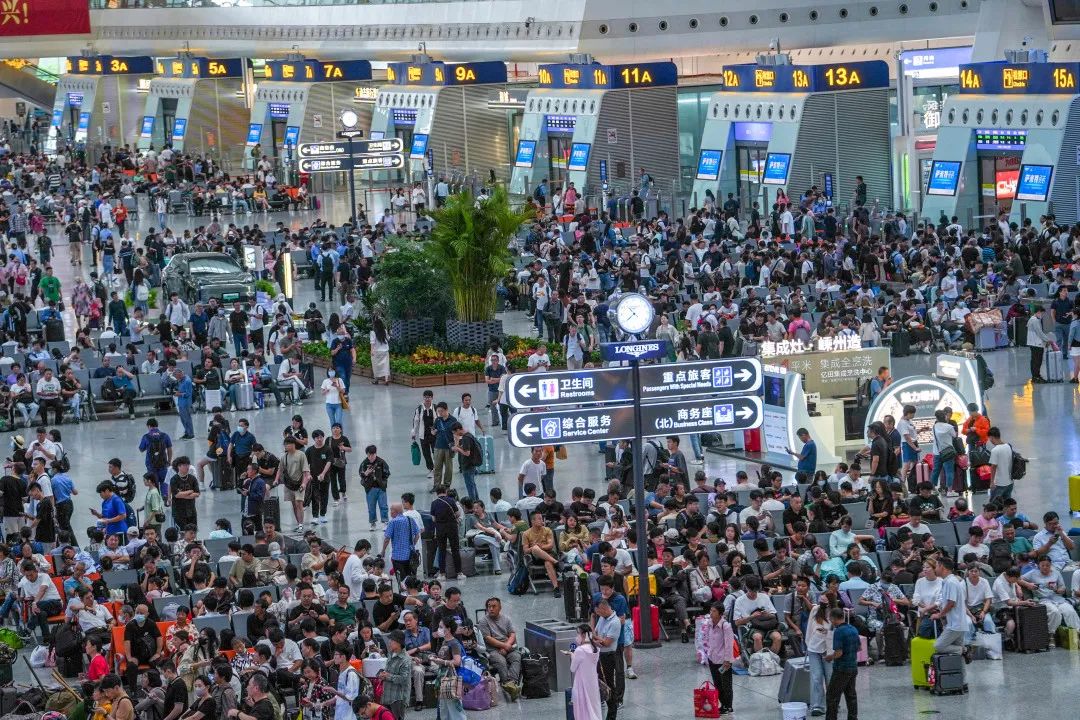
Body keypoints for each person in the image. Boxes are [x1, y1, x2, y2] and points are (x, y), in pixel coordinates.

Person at [476, 597, 522, 697]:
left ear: (500, 607)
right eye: (489, 607)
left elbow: (512, 634)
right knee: (501, 662)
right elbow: (488, 639)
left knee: (516, 657)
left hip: (508, 647)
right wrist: (504, 646)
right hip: (493, 650)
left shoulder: (506, 619)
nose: (491, 609)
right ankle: (508, 684)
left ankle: (511, 684)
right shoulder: (483, 621)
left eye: (494, 606)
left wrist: (506, 646)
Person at [824, 608, 859, 720]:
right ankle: (853, 718)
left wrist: (829, 657)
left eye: (830, 619)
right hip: (853, 667)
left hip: (841, 669)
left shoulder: (838, 631)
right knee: (851, 695)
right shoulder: (853, 629)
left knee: (832, 696)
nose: (830, 621)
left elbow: (838, 653)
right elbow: (859, 648)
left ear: (833, 618)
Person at [703, 601, 735, 716]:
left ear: (720, 613)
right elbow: (707, 639)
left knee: (726, 684)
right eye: (711, 610)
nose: (711, 613)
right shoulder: (709, 623)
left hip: (723, 660)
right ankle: (723, 705)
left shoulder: (726, 626)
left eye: (714, 611)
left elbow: (729, 644)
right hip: (712, 658)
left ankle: (728, 706)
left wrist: (727, 660)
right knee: (717, 684)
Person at [592, 599, 621, 720]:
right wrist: (597, 639)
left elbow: (607, 643)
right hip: (600, 655)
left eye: (598, 612)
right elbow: (596, 633)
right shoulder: (602, 618)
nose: (597, 614)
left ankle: (612, 714)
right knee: (600, 683)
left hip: (608, 656)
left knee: (609, 685)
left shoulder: (615, 622)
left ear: (604, 608)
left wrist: (596, 639)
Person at [432, 618, 466, 720]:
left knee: (453, 707)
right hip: (442, 676)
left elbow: (457, 661)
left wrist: (442, 662)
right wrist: (436, 658)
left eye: (441, 627)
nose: (438, 629)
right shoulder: (444, 641)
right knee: (443, 707)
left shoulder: (454, 643)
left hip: (450, 678)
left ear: (449, 629)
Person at [568, 624, 602, 720]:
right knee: (594, 709)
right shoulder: (596, 649)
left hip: (581, 686)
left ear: (583, 635)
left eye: (578, 633)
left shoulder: (580, 650)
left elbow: (572, 668)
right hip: (593, 685)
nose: (577, 636)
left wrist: (572, 655)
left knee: (582, 711)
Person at [430, 486, 463, 581]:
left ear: (436, 493)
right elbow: (458, 514)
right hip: (452, 527)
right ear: (445, 491)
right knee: (455, 550)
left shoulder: (434, 503)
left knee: (441, 551)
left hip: (440, 529)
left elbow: (433, 519)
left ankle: (442, 574)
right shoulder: (451, 501)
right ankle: (459, 573)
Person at [359, 445, 391, 531]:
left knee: (383, 506)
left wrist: (382, 482)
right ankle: (372, 523)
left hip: (381, 488)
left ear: (375, 453)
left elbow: (387, 473)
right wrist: (365, 474)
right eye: (369, 455)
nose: (371, 457)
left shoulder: (381, 462)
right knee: (371, 507)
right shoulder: (364, 463)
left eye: (373, 455)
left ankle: (385, 522)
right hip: (370, 489)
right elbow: (361, 474)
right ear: (367, 454)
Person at [370, 318, 391, 385]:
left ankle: (376, 380)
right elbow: (388, 339)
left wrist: (371, 351)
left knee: (375, 365)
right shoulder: (384, 331)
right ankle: (386, 380)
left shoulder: (372, 332)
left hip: (376, 351)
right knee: (386, 365)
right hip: (385, 351)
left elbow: (372, 343)